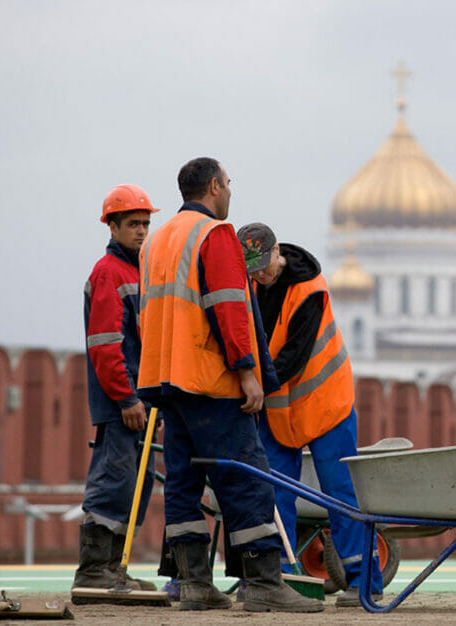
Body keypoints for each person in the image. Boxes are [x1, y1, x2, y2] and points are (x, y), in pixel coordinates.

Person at [137, 157, 321, 613]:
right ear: (215, 186)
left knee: (182, 482)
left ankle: (195, 584)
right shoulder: (214, 235)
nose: (230, 193)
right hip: (209, 381)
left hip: (165, 380)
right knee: (245, 478)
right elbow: (229, 308)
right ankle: (263, 584)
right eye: (229, 184)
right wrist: (246, 371)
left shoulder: (157, 241)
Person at [236, 222, 384, 608]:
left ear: (276, 252)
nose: (259, 274)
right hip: (280, 407)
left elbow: (292, 356)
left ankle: (364, 582)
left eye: (262, 265)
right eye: (249, 268)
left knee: (340, 492)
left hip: (326, 402)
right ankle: (280, 580)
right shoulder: (250, 287)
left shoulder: (309, 290)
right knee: (272, 492)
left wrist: (252, 386)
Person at [73, 184, 160, 592]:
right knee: (115, 481)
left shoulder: (139, 270)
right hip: (121, 402)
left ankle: (115, 569)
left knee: (136, 485)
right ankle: (94, 570)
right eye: (133, 224)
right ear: (112, 226)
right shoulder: (109, 273)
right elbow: (105, 345)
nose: (142, 231)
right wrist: (126, 397)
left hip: (141, 400)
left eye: (145, 223)